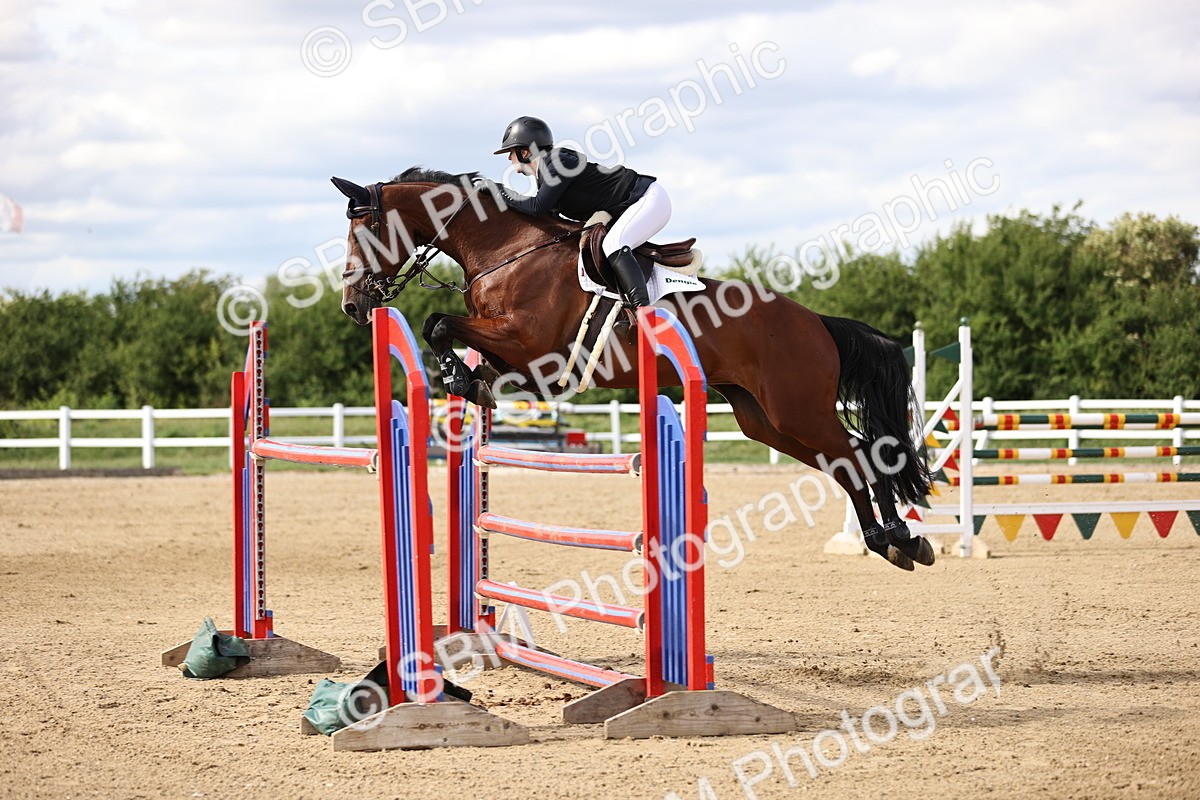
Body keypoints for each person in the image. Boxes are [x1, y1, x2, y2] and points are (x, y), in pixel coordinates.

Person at [487, 115, 672, 309]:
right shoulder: (546, 172)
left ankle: (642, 310)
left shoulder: (557, 162)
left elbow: (537, 207)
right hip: (634, 204)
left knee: (614, 244)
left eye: (510, 152)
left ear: (524, 152)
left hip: (648, 199)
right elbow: (545, 216)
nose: (509, 158)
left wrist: (499, 191)